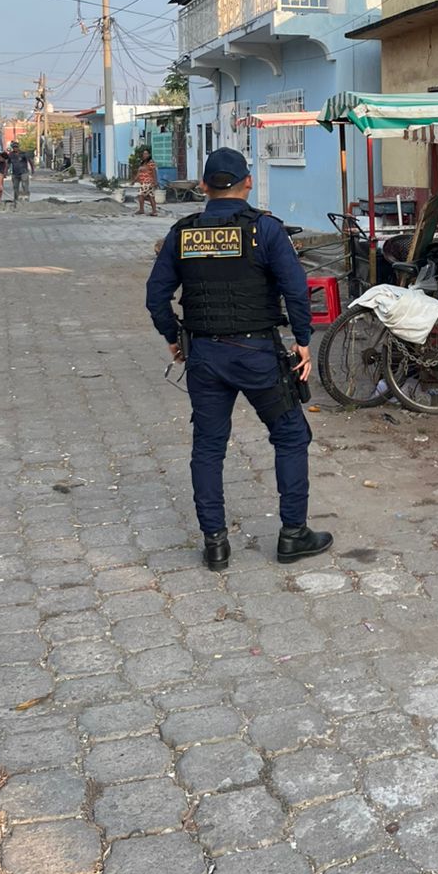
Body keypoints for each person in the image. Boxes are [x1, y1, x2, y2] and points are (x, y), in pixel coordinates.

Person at [144, 146, 331, 571]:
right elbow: (295, 289)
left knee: (208, 447)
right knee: (290, 436)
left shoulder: (183, 232)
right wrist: (303, 341)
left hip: (204, 355)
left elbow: (156, 296)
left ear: (204, 186)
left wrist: (173, 338)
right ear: (248, 182)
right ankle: (293, 534)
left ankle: (215, 543)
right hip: (256, 354)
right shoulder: (265, 229)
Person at [133, 147, 159, 217]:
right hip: (144, 182)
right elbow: (139, 173)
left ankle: (142, 210)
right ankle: (154, 211)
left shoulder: (151, 162)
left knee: (141, 195)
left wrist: (155, 182)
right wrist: (134, 180)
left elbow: (154, 172)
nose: (145, 155)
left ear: (149, 154)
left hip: (148, 182)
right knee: (150, 196)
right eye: (144, 154)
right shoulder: (143, 163)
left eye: (146, 154)